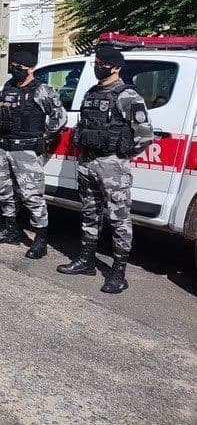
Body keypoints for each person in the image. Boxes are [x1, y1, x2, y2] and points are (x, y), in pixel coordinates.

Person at [57, 44, 153, 293]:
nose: (97, 67)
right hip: (88, 163)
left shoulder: (127, 96)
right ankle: (87, 260)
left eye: (102, 64)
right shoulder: (91, 93)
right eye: (96, 63)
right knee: (90, 214)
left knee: (119, 219)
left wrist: (120, 155)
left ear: (116, 67)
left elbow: (145, 135)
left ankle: (118, 273)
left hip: (112, 166)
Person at [0, 50, 67, 259]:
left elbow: (60, 118)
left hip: (27, 150)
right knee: (5, 192)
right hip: (5, 147)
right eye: (12, 66)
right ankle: (11, 230)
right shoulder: (8, 87)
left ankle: (40, 240)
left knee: (32, 195)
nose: (15, 70)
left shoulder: (42, 90)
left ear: (31, 69)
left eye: (19, 67)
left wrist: (43, 138)